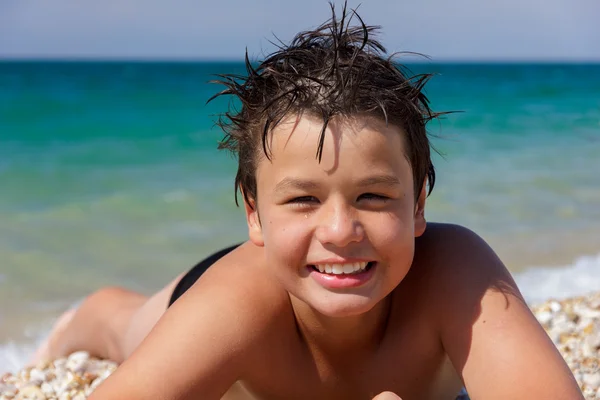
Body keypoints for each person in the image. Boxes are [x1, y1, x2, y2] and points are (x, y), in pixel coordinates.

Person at [32, 3, 583, 399]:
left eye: (373, 195)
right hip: (235, 282)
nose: (341, 228)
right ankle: (95, 312)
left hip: (298, 260)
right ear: (254, 211)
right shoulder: (236, 306)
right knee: (131, 328)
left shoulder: (456, 272)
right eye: (303, 199)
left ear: (418, 205)